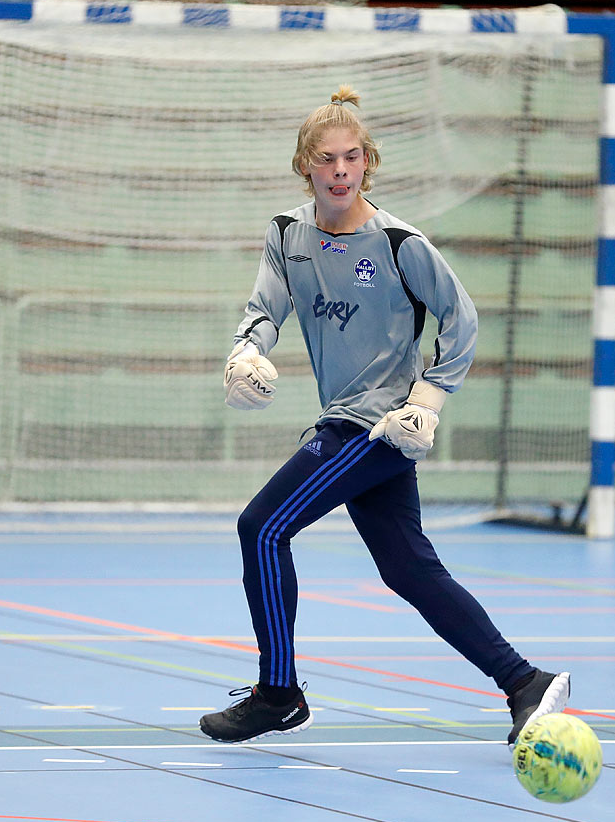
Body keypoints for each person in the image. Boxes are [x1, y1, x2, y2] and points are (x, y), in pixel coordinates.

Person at [198, 85, 569, 748]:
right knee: (408, 569)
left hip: (376, 426)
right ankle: (524, 681)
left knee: (261, 528)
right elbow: (264, 305)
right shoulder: (288, 234)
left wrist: (428, 399)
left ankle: (279, 694)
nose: (340, 170)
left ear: (368, 162)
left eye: (351, 158)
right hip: (347, 419)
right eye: (326, 159)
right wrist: (245, 350)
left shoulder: (400, 243)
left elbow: (463, 318)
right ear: (304, 168)